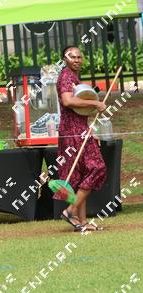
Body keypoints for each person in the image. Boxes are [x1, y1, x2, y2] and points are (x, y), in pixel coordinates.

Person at [56, 46, 108, 232]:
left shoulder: (73, 77)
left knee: (83, 173)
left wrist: (88, 131)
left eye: (79, 57)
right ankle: (70, 211)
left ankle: (82, 221)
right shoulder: (66, 76)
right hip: (72, 131)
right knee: (97, 167)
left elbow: (78, 109)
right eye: (73, 57)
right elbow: (68, 101)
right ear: (65, 58)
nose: (77, 60)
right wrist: (95, 103)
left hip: (79, 129)